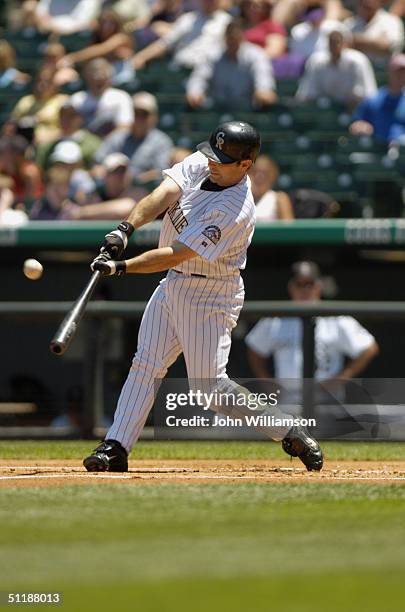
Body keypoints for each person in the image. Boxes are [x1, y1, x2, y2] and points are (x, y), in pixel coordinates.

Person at [82, 121, 324, 473]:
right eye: (213, 153)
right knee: (146, 363)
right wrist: (125, 229)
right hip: (173, 284)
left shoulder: (234, 209)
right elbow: (164, 194)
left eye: (223, 159)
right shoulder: (204, 161)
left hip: (210, 293)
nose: (212, 162)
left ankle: (287, 429)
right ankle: (116, 446)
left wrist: (121, 267)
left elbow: (175, 253)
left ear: (245, 165)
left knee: (210, 390)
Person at [245, 261, 379, 402]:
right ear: (291, 287)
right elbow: (254, 350)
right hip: (289, 402)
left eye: (310, 284)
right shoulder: (276, 318)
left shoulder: (336, 318)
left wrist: (340, 379)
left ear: (319, 285)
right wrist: (267, 382)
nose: (305, 290)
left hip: (327, 403)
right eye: (300, 284)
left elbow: (369, 348)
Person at [186, 18, 277, 109]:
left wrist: (263, 90)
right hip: (217, 108)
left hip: (247, 109)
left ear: (242, 38)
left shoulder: (256, 55)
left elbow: (263, 77)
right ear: (225, 38)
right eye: (230, 38)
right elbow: (199, 77)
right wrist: (195, 92)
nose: (233, 42)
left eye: (236, 38)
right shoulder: (213, 55)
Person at [93, 91, 173, 183]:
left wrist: (133, 180)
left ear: (154, 117)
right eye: (136, 113)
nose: (139, 118)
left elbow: (161, 172)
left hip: (144, 190)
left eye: (144, 114)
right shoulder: (118, 137)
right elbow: (98, 164)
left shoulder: (161, 141)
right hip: (113, 188)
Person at [132, 0, 232, 70]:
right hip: (181, 68)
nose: (210, 1)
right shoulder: (188, 19)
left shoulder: (227, 22)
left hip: (207, 72)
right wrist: (141, 57)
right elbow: (164, 43)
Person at [296, 26, 377, 108]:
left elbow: (367, 95)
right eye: (331, 42)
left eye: (337, 41)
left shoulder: (358, 61)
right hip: (325, 109)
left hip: (354, 109)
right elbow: (307, 94)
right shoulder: (316, 61)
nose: (335, 46)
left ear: (345, 43)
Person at [60, 8, 135, 87]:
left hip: (120, 79)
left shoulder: (121, 37)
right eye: (103, 22)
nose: (106, 26)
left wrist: (72, 58)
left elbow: (103, 49)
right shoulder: (95, 38)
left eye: (111, 23)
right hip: (100, 79)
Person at [64, 153, 147, 220]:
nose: (120, 176)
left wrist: (81, 212)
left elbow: (127, 207)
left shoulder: (137, 192)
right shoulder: (97, 193)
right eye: (115, 172)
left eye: (123, 172)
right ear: (105, 176)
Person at [69, 58, 134, 137]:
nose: (97, 77)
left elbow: (124, 127)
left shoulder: (121, 97)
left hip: (110, 144)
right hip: (82, 143)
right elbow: (68, 128)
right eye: (93, 72)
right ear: (86, 76)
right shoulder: (77, 99)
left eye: (102, 73)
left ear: (110, 77)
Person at [350, 53, 405, 143]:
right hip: (376, 149)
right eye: (397, 71)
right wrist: (362, 126)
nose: (401, 75)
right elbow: (356, 123)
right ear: (389, 72)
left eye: (403, 72)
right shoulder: (373, 99)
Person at [10, 67, 68, 144]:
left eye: (47, 82)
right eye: (39, 81)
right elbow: (11, 127)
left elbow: (70, 128)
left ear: (54, 83)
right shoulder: (26, 101)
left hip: (54, 144)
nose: (42, 85)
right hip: (25, 144)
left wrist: (50, 138)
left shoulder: (63, 101)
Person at [248, 154, 294, 220]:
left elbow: (289, 228)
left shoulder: (280, 198)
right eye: (255, 172)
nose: (259, 177)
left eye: (265, 173)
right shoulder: (240, 197)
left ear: (273, 176)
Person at [33, 0, 101, 35]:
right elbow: (40, 15)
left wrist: (53, 26)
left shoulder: (91, 2)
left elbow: (81, 25)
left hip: (74, 41)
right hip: (47, 34)